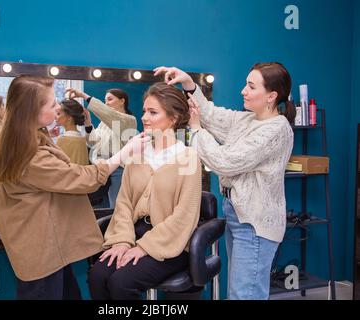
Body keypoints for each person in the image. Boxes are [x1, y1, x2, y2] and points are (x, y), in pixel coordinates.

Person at [0, 75, 149, 300]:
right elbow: (78, 176)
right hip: (41, 250)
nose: (57, 108)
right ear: (32, 111)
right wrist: (123, 153)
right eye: (52, 104)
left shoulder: (22, 138)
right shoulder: (28, 153)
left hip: (47, 248)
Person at [154, 63, 295, 300]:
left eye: (251, 86)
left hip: (255, 221)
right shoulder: (248, 120)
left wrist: (197, 130)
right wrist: (188, 83)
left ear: (271, 96)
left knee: (245, 294)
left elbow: (225, 161)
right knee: (242, 291)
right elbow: (210, 114)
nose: (243, 91)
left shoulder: (276, 130)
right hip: (237, 213)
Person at [88, 82, 202, 300]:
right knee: (98, 275)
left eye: (153, 112)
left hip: (170, 241)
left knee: (121, 283)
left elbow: (184, 215)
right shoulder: (137, 153)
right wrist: (122, 241)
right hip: (133, 232)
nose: (144, 118)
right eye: (144, 111)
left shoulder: (189, 157)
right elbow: (124, 204)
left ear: (174, 118)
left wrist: (144, 247)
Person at [66, 87, 137, 209]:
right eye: (105, 100)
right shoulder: (104, 124)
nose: (106, 103)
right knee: (102, 205)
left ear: (122, 101)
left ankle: (117, 227)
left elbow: (108, 113)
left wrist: (83, 95)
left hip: (119, 170)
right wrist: (88, 123)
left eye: (110, 99)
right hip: (102, 167)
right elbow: (93, 141)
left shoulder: (129, 121)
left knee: (117, 206)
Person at [55, 98, 89, 165]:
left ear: (69, 117)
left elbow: (56, 167)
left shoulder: (62, 139)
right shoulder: (82, 138)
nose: (55, 117)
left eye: (58, 114)